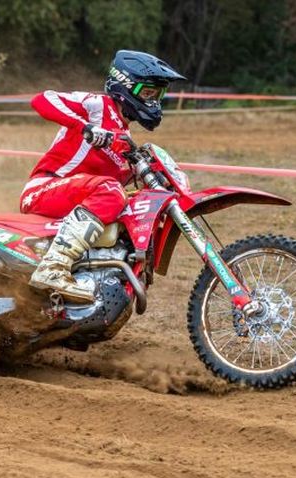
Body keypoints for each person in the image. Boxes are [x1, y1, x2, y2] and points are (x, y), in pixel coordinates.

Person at [20, 50, 186, 302]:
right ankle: (53, 268)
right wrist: (85, 127)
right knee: (109, 190)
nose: (153, 101)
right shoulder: (98, 106)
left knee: (132, 205)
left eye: (158, 95)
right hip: (44, 189)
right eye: (148, 93)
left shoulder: (125, 141)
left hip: (74, 200)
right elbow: (43, 99)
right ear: (126, 85)